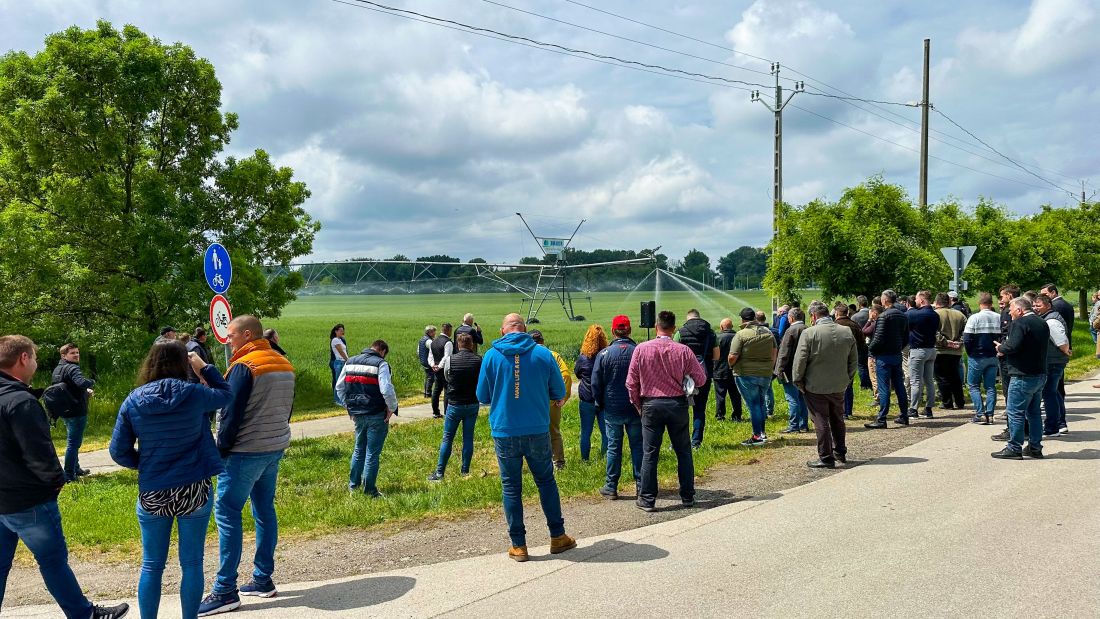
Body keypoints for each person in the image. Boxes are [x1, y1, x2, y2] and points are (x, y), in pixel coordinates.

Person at [0, 336, 131, 619]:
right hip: (28, 501)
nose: (35, 362)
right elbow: (38, 454)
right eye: (33, 357)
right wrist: (55, 481)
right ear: (23, 359)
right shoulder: (20, 401)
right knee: (52, 560)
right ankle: (84, 615)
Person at [110, 341, 233, 619]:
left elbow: (118, 451)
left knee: (152, 564)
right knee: (191, 563)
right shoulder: (194, 394)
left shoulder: (134, 400)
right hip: (194, 488)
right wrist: (205, 367)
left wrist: (145, 464)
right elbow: (226, 394)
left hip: (154, 490)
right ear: (183, 363)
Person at [199, 315, 295, 616]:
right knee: (264, 509)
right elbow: (287, 408)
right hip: (274, 446)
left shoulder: (245, 366)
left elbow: (230, 413)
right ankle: (262, 579)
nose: (227, 340)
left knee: (227, 512)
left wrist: (220, 451)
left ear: (248, 334)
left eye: (231, 335)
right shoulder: (282, 362)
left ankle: (225, 589)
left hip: (244, 451)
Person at [476, 313, 575, 561]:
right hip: (538, 428)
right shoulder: (542, 354)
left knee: (511, 487)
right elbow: (559, 391)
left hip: (505, 429)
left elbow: (483, 396)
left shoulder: (491, 356)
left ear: (502, 332)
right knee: (546, 482)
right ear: (525, 329)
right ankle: (557, 536)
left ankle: (519, 545)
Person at [626, 310, 706, 512]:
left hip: (651, 404)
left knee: (650, 453)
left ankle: (647, 498)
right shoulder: (683, 351)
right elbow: (702, 379)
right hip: (677, 404)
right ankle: (687, 496)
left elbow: (631, 382)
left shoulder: (641, 349)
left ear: (656, 327)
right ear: (674, 328)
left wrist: (638, 404)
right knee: (683, 452)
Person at [792, 302, 857, 469]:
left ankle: (826, 457)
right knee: (837, 418)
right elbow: (853, 360)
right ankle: (840, 452)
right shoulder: (846, 331)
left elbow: (800, 361)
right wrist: (847, 378)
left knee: (820, 420)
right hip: (839, 383)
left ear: (813, 316)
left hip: (815, 385)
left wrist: (797, 380)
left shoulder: (809, 333)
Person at [336, 340, 398, 496]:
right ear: (382, 351)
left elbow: (339, 387)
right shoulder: (381, 364)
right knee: (372, 453)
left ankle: (353, 486)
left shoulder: (350, 362)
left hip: (357, 413)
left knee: (359, 449)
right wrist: (392, 407)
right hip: (376, 413)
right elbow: (386, 389)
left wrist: (348, 406)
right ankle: (369, 490)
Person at [591, 315, 642, 499]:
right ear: (629, 330)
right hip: (635, 406)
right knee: (638, 446)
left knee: (614, 447)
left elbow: (595, 383)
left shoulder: (603, 354)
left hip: (612, 407)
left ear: (613, 331)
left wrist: (599, 402)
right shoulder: (638, 351)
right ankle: (641, 485)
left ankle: (611, 486)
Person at [991, 298, 1048, 460]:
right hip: (1039, 373)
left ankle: (1014, 447)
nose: (1009, 312)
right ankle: (1035, 447)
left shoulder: (1020, 323)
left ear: (1020, 310)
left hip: (1022, 374)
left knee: (1015, 412)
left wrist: (1001, 348)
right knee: (1034, 412)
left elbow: (1013, 345)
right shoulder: (1041, 322)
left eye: (1011, 309)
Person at [428, 333, 482, 480]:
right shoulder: (478, 360)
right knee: (468, 438)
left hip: (455, 402)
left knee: (447, 438)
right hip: (472, 402)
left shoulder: (451, 359)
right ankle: (465, 471)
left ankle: (440, 472)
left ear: (458, 345)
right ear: (471, 345)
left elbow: (446, 376)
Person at [729, 308, 778, 445]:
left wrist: (731, 365)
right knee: (761, 403)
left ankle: (757, 436)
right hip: (765, 374)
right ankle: (762, 433)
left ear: (743, 320)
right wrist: (770, 366)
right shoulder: (768, 332)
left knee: (754, 405)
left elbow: (733, 356)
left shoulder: (741, 334)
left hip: (746, 374)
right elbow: (775, 350)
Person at [866, 290, 910, 429]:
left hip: (884, 356)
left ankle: (882, 418)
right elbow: (906, 337)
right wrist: (898, 347)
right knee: (899, 386)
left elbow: (878, 338)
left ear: (885, 300)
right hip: (896, 354)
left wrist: (871, 350)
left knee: (884, 387)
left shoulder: (884, 316)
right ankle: (904, 415)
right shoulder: (902, 316)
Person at [51, 343, 95, 481]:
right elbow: (81, 382)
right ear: (64, 355)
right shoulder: (72, 368)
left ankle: (76, 468)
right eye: (73, 353)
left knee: (73, 441)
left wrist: (83, 391)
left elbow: (66, 388)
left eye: (77, 352)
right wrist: (91, 382)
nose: (76, 355)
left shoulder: (58, 369)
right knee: (74, 443)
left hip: (64, 411)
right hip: (76, 411)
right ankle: (69, 475)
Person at [675, 309, 719, 448]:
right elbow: (716, 356)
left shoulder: (681, 332)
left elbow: (674, 354)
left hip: (684, 377)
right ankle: (696, 441)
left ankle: (680, 441)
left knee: (681, 409)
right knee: (700, 409)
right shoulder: (710, 332)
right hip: (704, 375)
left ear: (688, 319)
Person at [529, 330, 572, 470]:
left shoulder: (527, 356)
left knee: (534, 433)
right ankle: (559, 462)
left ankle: (539, 463)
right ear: (543, 340)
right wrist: (562, 397)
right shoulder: (553, 355)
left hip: (534, 402)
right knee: (554, 431)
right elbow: (566, 374)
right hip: (552, 401)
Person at [962, 292, 1002, 424]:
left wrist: (970, 352)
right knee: (990, 386)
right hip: (993, 356)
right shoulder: (999, 317)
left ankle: (980, 414)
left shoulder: (974, 318)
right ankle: (990, 414)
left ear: (980, 304)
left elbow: (967, 338)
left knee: (973, 385)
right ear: (991, 304)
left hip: (977, 356)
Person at [1034, 295, 1070, 437]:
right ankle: (1059, 424)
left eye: (1039, 305)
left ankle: (1052, 427)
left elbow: (1062, 342)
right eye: (1034, 305)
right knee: (1053, 393)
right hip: (1054, 360)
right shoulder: (1048, 318)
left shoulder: (1051, 320)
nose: (1036, 308)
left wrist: (1065, 351)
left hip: (1053, 362)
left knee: (1049, 394)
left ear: (1048, 305)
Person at [573, 324, 609, 463]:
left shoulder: (583, 358)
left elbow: (577, 373)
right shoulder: (606, 355)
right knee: (605, 432)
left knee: (585, 432)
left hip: (586, 398)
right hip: (603, 399)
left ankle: (584, 459)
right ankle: (605, 458)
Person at [906, 290, 940, 420]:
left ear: (921, 300)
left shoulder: (915, 314)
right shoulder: (935, 315)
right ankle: (929, 408)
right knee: (929, 381)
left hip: (918, 350)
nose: (914, 301)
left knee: (916, 381)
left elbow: (906, 319)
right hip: (931, 350)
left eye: (916, 299)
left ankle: (913, 408)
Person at [774, 307, 808, 433]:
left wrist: (779, 370)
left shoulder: (791, 331)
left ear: (791, 318)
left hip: (790, 370)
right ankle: (803, 424)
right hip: (805, 370)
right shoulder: (807, 329)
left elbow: (784, 353)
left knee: (792, 398)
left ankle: (794, 425)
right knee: (802, 397)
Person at [932, 292, 967, 410]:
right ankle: (960, 401)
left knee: (942, 377)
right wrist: (959, 342)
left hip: (940, 350)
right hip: (956, 351)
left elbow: (934, 332)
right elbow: (965, 332)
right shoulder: (960, 315)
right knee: (955, 376)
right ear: (949, 302)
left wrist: (945, 342)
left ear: (937, 302)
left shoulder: (934, 314)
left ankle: (947, 402)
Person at [834, 303, 866, 419]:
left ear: (837, 313)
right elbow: (862, 342)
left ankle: (841, 411)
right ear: (847, 313)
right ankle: (848, 411)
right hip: (852, 358)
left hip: (838, 359)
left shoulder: (835, 326)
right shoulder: (855, 325)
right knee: (849, 384)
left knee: (838, 386)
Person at [712, 318, 743, 422]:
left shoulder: (717, 337)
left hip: (719, 370)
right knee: (736, 395)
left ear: (721, 327)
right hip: (735, 370)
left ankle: (720, 415)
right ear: (732, 326)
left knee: (720, 395)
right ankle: (737, 416)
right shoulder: (738, 336)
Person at [429, 323, 453, 419]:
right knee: (447, 390)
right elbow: (447, 357)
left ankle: (435, 412)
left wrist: (432, 365)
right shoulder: (448, 342)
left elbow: (430, 355)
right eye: (450, 330)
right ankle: (447, 412)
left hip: (435, 369)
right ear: (447, 330)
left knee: (436, 391)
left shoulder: (433, 342)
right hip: (445, 370)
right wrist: (439, 366)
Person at [757, 310, 778, 417]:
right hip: (772, 362)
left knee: (760, 389)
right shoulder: (774, 331)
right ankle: (770, 410)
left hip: (760, 363)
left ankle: (763, 410)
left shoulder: (757, 331)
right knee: (768, 388)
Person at [851, 296, 872, 389]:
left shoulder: (855, 316)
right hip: (872, 341)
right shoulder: (871, 314)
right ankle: (872, 382)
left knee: (862, 365)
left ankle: (865, 384)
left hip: (860, 343)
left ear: (858, 304)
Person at [329, 324, 348, 405]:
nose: (342, 331)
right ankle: (337, 400)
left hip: (343, 362)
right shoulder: (335, 340)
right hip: (339, 362)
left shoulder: (341, 340)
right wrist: (348, 360)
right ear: (336, 331)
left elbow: (345, 352)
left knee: (342, 381)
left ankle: (341, 398)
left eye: (343, 330)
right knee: (338, 381)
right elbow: (341, 352)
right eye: (340, 330)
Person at [418, 325, 437, 398]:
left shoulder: (422, 339)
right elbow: (434, 349)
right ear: (430, 332)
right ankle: (428, 393)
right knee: (430, 377)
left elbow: (418, 350)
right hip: (428, 362)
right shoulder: (429, 341)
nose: (435, 334)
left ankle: (426, 393)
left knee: (428, 377)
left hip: (423, 361)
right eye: (434, 332)